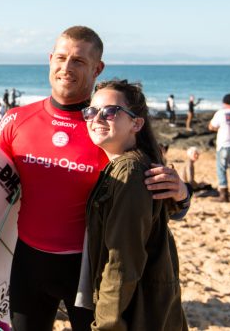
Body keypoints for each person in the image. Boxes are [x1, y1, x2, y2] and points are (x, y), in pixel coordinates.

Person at [0, 26, 190, 330]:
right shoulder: (16, 120)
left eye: (78, 61)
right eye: (61, 58)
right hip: (27, 261)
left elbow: (156, 207)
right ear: (50, 59)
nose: (66, 68)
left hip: (88, 269)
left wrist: (182, 194)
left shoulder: (107, 131)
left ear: (97, 68)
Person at [80, 79, 188, 330]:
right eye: (91, 111)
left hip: (139, 310)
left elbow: (122, 261)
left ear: (136, 123)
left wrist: (107, 325)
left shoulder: (129, 171)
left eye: (110, 111)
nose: (97, 118)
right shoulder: (126, 166)